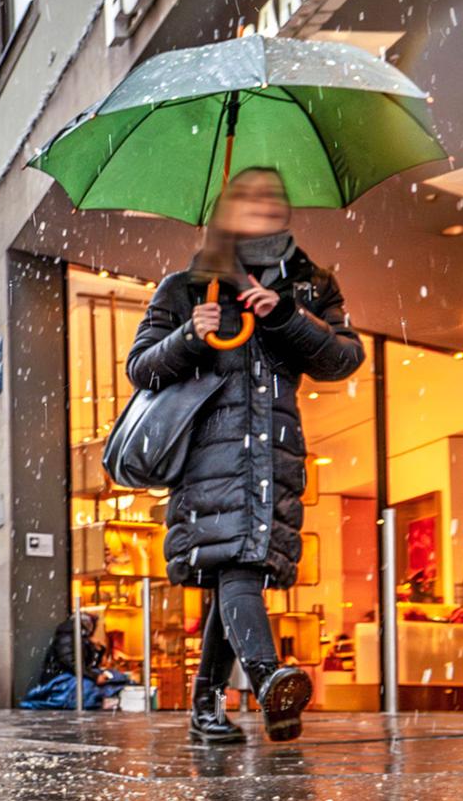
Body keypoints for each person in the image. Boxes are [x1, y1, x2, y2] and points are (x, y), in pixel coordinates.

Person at [126, 166, 364, 743]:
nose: (264, 203)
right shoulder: (186, 287)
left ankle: (206, 706)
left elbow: (342, 360)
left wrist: (284, 316)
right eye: (249, 194)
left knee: (236, 579)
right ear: (225, 209)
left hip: (276, 456)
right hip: (210, 455)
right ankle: (266, 679)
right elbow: (141, 368)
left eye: (274, 195)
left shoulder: (310, 285)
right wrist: (188, 336)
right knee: (238, 570)